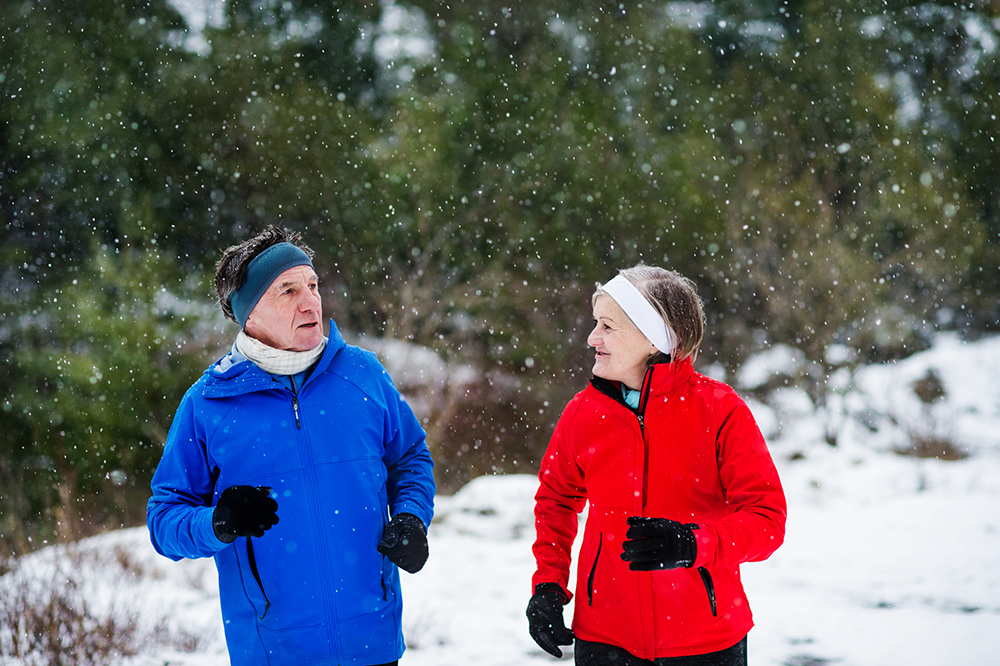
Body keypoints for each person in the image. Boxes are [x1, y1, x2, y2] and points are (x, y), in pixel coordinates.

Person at [147, 225, 435, 666]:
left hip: (372, 641)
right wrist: (217, 523)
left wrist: (413, 518)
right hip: (272, 650)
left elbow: (411, 458)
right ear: (250, 313)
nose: (310, 301)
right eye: (287, 290)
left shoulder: (362, 376)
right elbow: (165, 518)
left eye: (313, 285)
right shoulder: (209, 404)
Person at [527, 265, 786, 665]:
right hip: (606, 639)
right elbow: (555, 502)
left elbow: (766, 520)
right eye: (597, 323)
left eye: (609, 327)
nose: (592, 337)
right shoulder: (582, 413)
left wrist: (692, 543)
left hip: (708, 641)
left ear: (655, 337)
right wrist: (547, 584)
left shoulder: (721, 411)